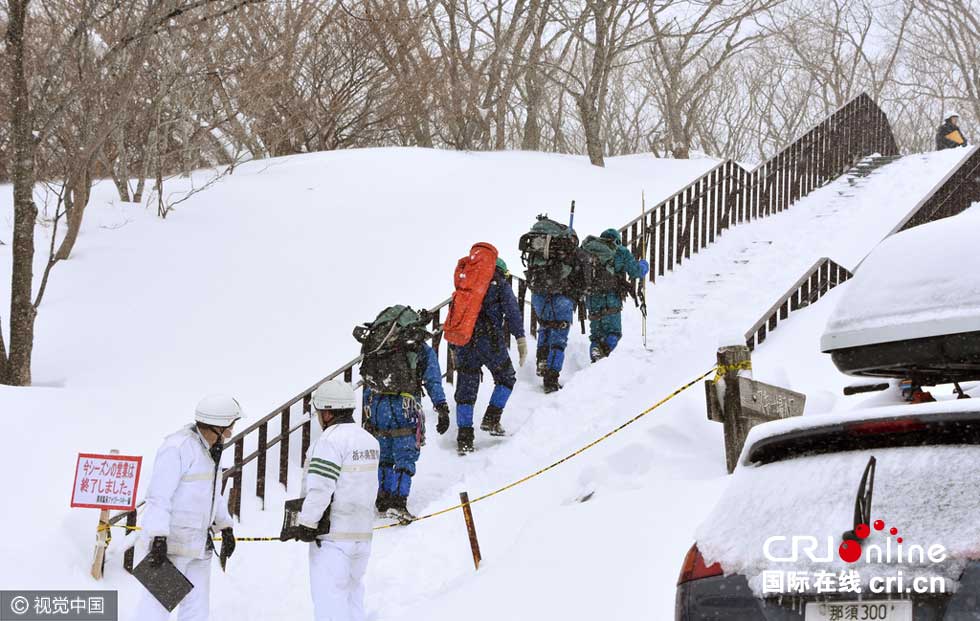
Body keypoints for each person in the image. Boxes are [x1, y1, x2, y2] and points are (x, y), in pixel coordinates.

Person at [131, 395, 241, 621]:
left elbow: (212, 494)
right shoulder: (178, 448)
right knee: (156, 609)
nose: (231, 432)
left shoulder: (211, 450)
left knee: (197, 610)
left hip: (199, 545)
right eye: (230, 427)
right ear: (217, 426)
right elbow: (159, 496)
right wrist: (158, 536)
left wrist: (225, 526)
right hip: (171, 546)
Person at [284, 380, 380, 621]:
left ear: (327, 413)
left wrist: (307, 523)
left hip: (332, 539)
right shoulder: (369, 440)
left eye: (318, 412)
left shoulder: (329, 442)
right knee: (353, 598)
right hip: (361, 536)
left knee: (330, 604)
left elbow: (320, 488)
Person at [356, 305, 449, 523]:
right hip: (405, 404)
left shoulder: (378, 346)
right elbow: (433, 378)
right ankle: (398, 502)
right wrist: (441, 406)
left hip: (377, 403)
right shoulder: (418, 347)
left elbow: (367, 378)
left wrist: (367, 411)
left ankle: (383, 498)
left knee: (384, 453)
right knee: (405, 453)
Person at [444, 257, 527, 454]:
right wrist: (520, 338)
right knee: (506, 377)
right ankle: (492, 419)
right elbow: (512, 311)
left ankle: (464, 438)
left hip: (465, 340)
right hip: (491, 340)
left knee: (466, 391)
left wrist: (453, 346)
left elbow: (455, 315)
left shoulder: (466, 283)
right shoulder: (499, 283)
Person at [520, 217, 590, 394]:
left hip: (539, 295)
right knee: (559, 339)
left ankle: (542, 360)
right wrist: (576, 294)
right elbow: (584, 280)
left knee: (544, 327)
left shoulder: (539, 253)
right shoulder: (574, 254)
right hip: (562, 298)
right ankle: (551, 378)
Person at [582, 229, 649, 362]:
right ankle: (603, 354)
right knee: (614, 332)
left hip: (591, 298)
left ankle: (596, 356)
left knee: (596, 336)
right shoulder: (620, 251)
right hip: (610, 298)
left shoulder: (588, 250)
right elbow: (635, 271)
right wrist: (644, 265)